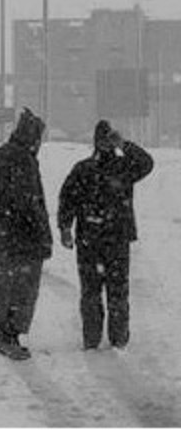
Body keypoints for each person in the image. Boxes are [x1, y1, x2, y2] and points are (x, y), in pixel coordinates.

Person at [57, 120, 153, 351]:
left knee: (106, 291)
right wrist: (65, 227)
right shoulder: (88, 169)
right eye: (104, 139)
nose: (106, 144)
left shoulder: (122, 166)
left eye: (109, 139)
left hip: (100, 238)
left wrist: (126, 145)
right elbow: (67, 199)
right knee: (102, 292)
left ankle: (111, 338)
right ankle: (102, 339)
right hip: (103, 239)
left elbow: (147, 164)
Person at [0, 107, 52, 361]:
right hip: (19, 238)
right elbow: (28, 202)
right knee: (20, 289)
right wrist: (42, 233)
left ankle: (2, 334)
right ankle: (9, 336)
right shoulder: (23, 160)